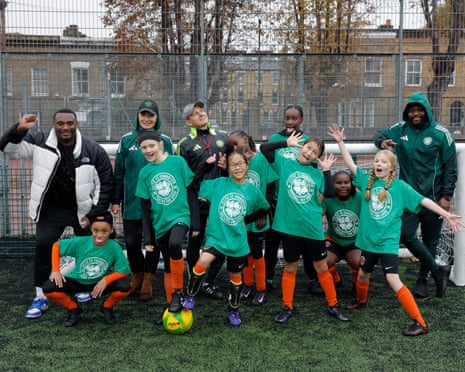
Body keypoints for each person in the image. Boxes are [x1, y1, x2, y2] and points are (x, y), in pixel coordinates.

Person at [328, 123, 464, 336]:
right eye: (376, 161)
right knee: (363, 275)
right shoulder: (367, 183)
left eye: (383, 161)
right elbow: (350, 165)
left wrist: (446, 214)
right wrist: (340, 143)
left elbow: (425, 201)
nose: (378, 164)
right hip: (369, 243)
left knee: (393, 280)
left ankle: (420, 322)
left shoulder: (400, 188)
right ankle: (361, 300)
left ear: (391, 167)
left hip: (387, 244)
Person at [0, 109, 114, 319]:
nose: (65, 128)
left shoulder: (92, 149)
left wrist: (94, 213)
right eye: (60, 123)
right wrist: (19, 129)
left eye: (69, 123)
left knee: (86, 247)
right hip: (51, 208)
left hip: (81, 209)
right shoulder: (40, 141)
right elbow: (8, 148)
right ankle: (40, 295)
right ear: (54, 125)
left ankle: (80, 288)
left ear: (76, 124)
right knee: (44, 245)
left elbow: (106, 183)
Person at [374, 92, 457, 298]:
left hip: (434, 197)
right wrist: (382, 143)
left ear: (427, 111)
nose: (416, 113)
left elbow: (450, 167)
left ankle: (423, 279)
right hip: (409, 197)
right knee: (405, 234)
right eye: (412, 110)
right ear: (407, 112)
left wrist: (446, 196)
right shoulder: (400, 130)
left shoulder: (441, 134)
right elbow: (380, 134)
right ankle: (438, 271)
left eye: (419, 109)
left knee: (431, 239)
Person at [260, 132, 349, 323]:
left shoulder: (317, 174)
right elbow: (264, 148)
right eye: (308, 147)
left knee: (321, 267)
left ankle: (333, 305)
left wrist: (326, 171)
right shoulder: (285, 164)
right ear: (302, 147)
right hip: (290, 228)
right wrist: (286, 142)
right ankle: (287, 306)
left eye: (314, 152)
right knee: (291, 266)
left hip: (312, 228)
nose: (309, 152)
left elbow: (330, 194)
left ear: (317, 157)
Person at [182, 150, 270, 326]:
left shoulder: (252, 190)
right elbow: (192, 184)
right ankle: (190, 297)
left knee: (236, 277)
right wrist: (206, 167)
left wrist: (247, 220)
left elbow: (264, 208)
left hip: (237, 241)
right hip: (216, 237)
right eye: (233, 164)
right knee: (202, 261)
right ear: (227, 168)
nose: (237, 167)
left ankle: (233, 310)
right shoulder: (219, 184)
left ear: (247, 165)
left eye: (241, 163)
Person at [111, 99, 173, 302]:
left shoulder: (165, 141)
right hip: (132, 204)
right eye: (143, 115)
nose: (147, 119)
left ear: (157, 117)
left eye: (151, 115)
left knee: (153, 243)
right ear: (138, 116)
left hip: (157, 206)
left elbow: (171, 173)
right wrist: (115, 200)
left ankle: (148, 280)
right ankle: (136, 275)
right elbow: (119, 173)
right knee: (131, 242)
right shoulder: (127, 141)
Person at [264, 104, 325, 295]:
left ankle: (313, 278)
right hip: (277, 201)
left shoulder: (308, 142)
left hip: (300, 205)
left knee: (305, 244)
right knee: (272, 243)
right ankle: (268, 278)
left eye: (295, 118)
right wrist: (285, 143)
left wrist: (319, 207)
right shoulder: (275, 139)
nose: (290, 122)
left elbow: (314, 176)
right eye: (287, 118)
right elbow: (267, 157)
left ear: (301, 120)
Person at [135, 130, 195, 314]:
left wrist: (197, 223)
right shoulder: (145, 172)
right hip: (159, 224)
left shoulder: (177, 162)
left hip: (181, 217)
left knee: (175, 243)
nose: (148, 150)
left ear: (160, 145)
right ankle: (172, 305)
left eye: (151, 146)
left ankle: (178, 292)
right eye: (144, 147)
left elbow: (191, 191)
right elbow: (145, 209)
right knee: (169, 264)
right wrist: (148, 238)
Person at [176, 101, 228, 300]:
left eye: (201, 111)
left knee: (220, 242)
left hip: (220, 201)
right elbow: (184, 178)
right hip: (196, 201)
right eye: (195, 114)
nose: (200, 115)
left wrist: (225, 167)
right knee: (195, 241)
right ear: (188, 121)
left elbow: (234, 169)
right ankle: (194, 278)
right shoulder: (185, 144)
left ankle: (210, 281)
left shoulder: (222, 137)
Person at [42, 211, 131, 326]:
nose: (99, 235)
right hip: (77, 281)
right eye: (96, 231)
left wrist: (105, 280)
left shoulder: (114, 246)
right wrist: (55, 271)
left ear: (111, 230)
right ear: (91, 230)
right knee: (48, 288)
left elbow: (123, 271)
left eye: (104, 231)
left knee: (125, 287)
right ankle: (73, 308)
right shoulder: (81, 242)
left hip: (99, 283)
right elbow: (56, 246)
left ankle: (106, 307)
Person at [226, 130, 278, 306]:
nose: (235, 148)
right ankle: (247, 285)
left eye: (237, 143)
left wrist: (263, 212)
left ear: (247, 140)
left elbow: (270, 187)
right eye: (232, 146)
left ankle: (261, 288)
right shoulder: (235, 162)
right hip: (241, 217)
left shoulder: (261, 160)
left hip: (258, 217)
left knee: (257, 251)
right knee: (245, 252)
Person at [323, 171, 362, 292]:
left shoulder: (360, 198)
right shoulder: (328, 200)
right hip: (334, 240)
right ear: (332, 185)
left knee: (358, 262)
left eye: (346, 182)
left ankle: (357, 285)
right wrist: (322, 239)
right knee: (322, 262)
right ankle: (336, 279)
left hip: (354, 242)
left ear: (352, 183)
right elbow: (316, 218)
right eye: (339, 183)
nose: (343, 186)